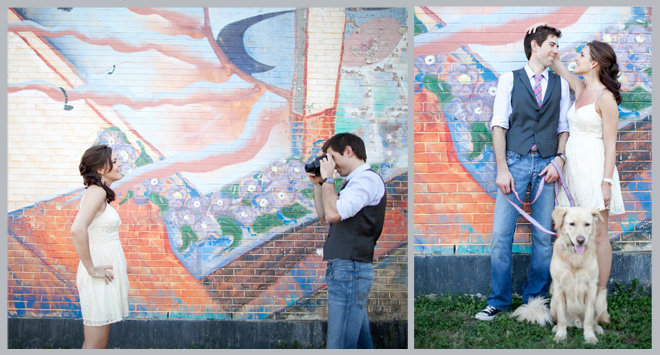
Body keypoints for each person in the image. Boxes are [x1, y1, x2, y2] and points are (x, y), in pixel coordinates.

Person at [475, 25, 571, 321]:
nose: (556, 50)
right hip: (514, 163)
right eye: (552, 44)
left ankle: (535, 302)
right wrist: (502, 169)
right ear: (535, 46)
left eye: (557, 45)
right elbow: (499, 125)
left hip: (546, 166)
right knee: (501, 236)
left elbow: (563, 128)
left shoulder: (561, 84)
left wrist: (559, 160)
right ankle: (498, 301)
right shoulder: (509, 79)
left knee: (543, 238)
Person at [530, 23, 625, 291]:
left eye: (582, 55)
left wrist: (606, 182)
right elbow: (556, 62)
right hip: (573, 169)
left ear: (594, 63)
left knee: (599, 235)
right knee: (572, 232)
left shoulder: (605, 98)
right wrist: (535, 34)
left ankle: (599, 293)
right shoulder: (580, 88)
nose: (577, 58)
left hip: (595, 168)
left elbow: (610, 144)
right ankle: (575, 288)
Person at [306, 133, 387, 349]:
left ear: (349, 151)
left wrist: (329, 178)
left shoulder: (366, 180)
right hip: (346, 269)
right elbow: (325, 216)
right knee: (360, 343)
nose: (330, 164)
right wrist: (319, 184)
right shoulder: (353, 183)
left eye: (331, 157)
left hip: (350, 270)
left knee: (339, 344)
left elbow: (333, 214)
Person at [70, 145, 129, 348]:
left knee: (96, 344)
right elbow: (77, 229)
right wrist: (92, 269)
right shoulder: (96, 192)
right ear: (102, 168)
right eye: (114, 160)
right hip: (98, 276)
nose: (120, 163)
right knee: (95, 345)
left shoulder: (99, 193)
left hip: (105, 276)